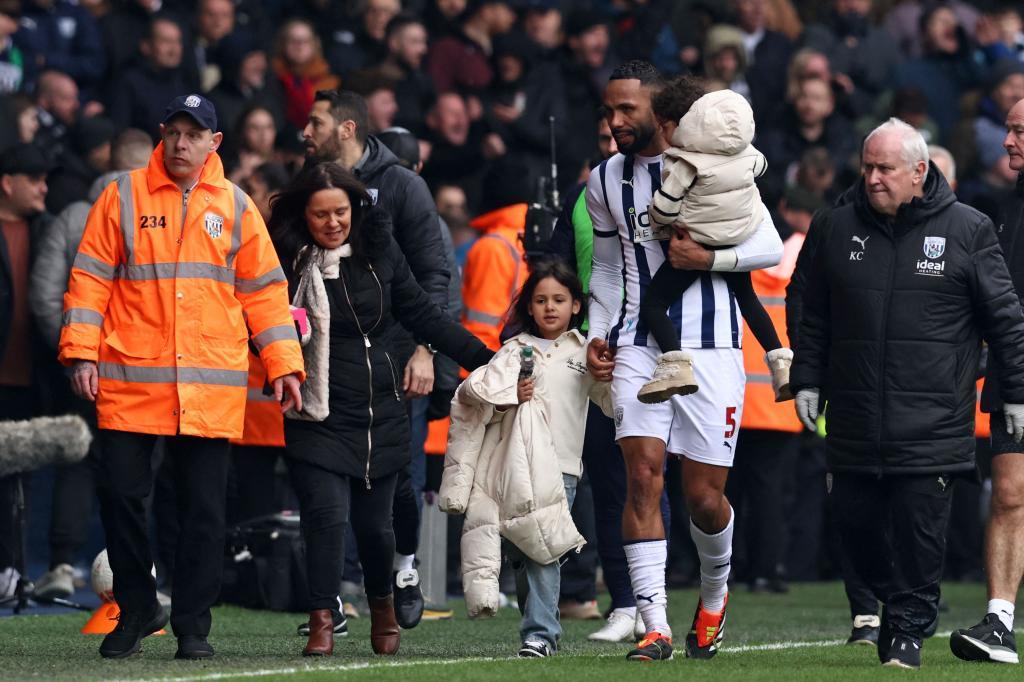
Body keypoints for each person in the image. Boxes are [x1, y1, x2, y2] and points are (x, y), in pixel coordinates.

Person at [57, 93, 305, 661]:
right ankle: (140, 606)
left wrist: (284, 364)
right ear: (161, 133)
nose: (182, 144)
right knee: (120, 496)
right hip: (130, 380)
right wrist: (81, 352)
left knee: (204, 513)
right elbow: (90, 279)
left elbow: (266, 295)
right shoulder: (121, 195)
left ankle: (193, 625)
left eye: (194, 135)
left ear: (215, 144)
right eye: (174, 133)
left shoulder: (238, 207)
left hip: (208, 389)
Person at [790, 118, 1024, 669]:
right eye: (867, 167)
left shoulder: (968, 229)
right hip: (852, 416)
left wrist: (1015, 390)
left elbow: (1007, 321)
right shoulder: (833, 225)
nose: (872, 178)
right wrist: (806, 378)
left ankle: (909, 632)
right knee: (856, 529)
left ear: (919, 172)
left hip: (933, 423)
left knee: (919, 536)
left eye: (885, 169)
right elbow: (814, 315)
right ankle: (896, 606)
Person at [586, 60, 782, 662]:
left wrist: (710, 262)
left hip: (714, 349)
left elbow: (768, 246)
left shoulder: (721, 170)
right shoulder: (603, 181)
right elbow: (607, 266)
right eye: (610, 110)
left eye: (628, 111)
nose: (615, 122)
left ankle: (714, 597)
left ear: (665, 116)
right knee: (641, 476)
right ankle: (654, 623)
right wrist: (598, 331)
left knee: (703, 497)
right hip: (640, 347)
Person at [268, 162, 492, 657]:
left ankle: (383, 608)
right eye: (320, 214)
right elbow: (262, 323)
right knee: (324, 518)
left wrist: (483, 360)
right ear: (303, 216)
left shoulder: (381, 252)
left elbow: (423, 314)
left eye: (340, 212)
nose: (332, 223)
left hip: (380, 411)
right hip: (317, 409)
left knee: (375, 528)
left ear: (356, 209)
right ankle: (322, 617)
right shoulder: (287, 261)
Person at [302, 89, 451, 627]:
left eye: (314, 122)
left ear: (345, 129)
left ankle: (403, 569)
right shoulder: (309, 182)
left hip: (394, 357)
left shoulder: (402, 186)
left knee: (396, 481)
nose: (304, 131)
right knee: (325, 486)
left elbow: (435, 272)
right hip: (326, 361)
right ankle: (333, 599)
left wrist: (423, 350)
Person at [442, 260, 611, 658]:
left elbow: (609, 401)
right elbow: (477, 398)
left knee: (541, 550)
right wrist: (509, 396)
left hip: (561, 470)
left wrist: (609, 374)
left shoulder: (586, 352)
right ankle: (539, 623)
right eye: (540, 300)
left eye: (559, 299)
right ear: (528, 307)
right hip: (512, 467)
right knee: (522, 552)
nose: (550, 307)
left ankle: (540, 634)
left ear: (576, 306)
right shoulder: (513, 350)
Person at [29, 129, 154, 600]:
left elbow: (43, 297)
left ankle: (62, 565)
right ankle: (140, 574)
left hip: (80, 368)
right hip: (147, 372)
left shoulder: (73, 216)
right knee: (143, 471)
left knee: (78, 463)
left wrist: (74, 354)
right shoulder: (160, 215)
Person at [637, 79, 792, 405]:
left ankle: (675, 365)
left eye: (662, 127)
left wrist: (658, 217)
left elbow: (664, 210)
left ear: (675, 125)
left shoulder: (685, 161)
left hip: (699, 240)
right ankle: (782, 363)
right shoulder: (743, 150)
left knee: (653, 305)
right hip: (738, 236)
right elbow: (760, 166)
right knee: (749, 300)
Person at [950, 97, 1024, 666]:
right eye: (1008, 129)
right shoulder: (1002, 208)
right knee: (1009, 493)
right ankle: (999, 623)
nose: (1007, 141)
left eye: (1019, 130)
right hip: (1014, 371)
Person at [0, 142, 51, 598]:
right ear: (7, 183)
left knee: (21, 483)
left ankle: (14, 572)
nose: (44, 188)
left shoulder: (47, 230)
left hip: (32, 378)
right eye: (34, 179)